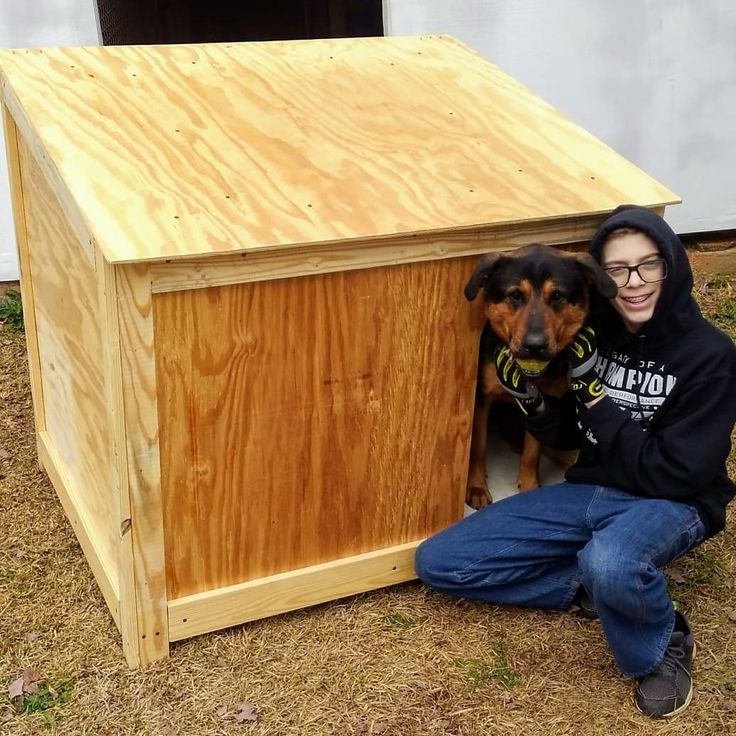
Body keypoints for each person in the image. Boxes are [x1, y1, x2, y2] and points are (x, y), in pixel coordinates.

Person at [414, 205, 736, 718]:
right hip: (592, 489)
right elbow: (568, 435)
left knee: (610, 558)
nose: (633, 282)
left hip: (674, 501)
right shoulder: (591, 340)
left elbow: (682, 473)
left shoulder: (711, 356)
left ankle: (660, 642)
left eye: (648, 265)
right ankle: (600, 587)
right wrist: (537, 402)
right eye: (618, 270)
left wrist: (598, 401)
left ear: (672, 265)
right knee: (440, 563)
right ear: (600, 282)